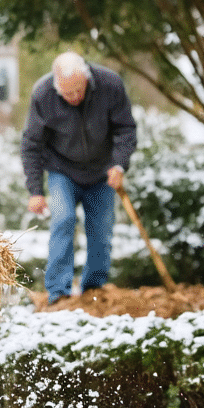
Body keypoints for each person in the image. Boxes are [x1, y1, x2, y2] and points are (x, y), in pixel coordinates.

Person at [22, 51, 137, 305]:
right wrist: (35, 191)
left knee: (101, 229)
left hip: (103, 171)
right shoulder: (43, 94)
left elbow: (126, 129)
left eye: (78, 90)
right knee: (63, 220)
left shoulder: (110, 84)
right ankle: (58, 292)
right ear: (56, 86)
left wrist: (119, 164)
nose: (74, 97)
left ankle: (94, 289)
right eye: (67, 93)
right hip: (62, 170)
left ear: (87, 78)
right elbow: (32, 144)